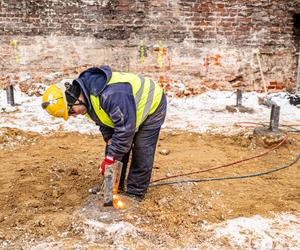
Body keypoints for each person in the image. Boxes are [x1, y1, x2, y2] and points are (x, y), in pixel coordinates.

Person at [42, 66, 167, 200]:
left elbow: (125, 131)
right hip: (125, 112)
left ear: (73, 97)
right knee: (114, 148)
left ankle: (135, 192)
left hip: (152, 106)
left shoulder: (111, 94)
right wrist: (109, 138)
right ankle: (112, 187)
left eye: (71, 111)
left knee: (142, 149)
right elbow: (102, 119)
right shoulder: (86, 100)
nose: (74, 115)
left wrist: (111, 157)